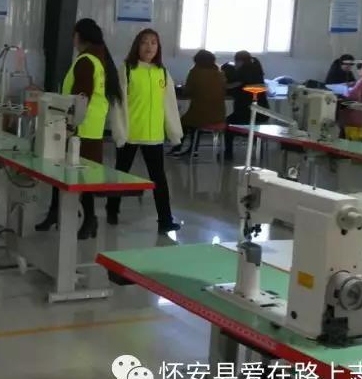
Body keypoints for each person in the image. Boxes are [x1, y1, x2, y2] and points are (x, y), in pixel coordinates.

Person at [35, 18, 122, 240]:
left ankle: (89, 218)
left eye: (74, 35)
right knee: (70, 173)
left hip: (80, 129)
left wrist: (69, 124)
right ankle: (57, 213)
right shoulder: (98, 60)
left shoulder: (86, 61)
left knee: (81, 176)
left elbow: (80, 99)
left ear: (80, 36)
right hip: (91, 128)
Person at [105, 29, 183, 235]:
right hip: (130, 134)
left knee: (159, 179)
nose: (149, 47)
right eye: (144, 42)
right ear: (137, 46)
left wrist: (174, 132)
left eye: (153, 43)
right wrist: (119, 131)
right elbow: (118, 104)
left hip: (153, 135)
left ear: (158, 47)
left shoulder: (162, 72)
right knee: (121, 173)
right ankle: (112, 209)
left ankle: (165, 220)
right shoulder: (127, 69)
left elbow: (169, 105)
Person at [170, 50, 226, 157]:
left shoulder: (195, 72)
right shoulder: (220, 73)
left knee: (183, 122)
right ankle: (193, 149)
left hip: (200, 114)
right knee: (193, 122)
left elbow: (188, 91)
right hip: (219, 116)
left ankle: (177, 147)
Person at [222, 51, 269, 160]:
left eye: (236, 62)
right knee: (242, 124)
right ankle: (257, 146)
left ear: (240, 61)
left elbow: (232, 87)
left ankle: (228, 154)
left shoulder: (243, 74)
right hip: (262, 114)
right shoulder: (256, 71)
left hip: (247, 114)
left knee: (228, 124)